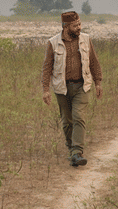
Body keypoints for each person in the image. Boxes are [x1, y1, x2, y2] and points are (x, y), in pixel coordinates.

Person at [41, 11, 103, 167]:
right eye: (75, 25)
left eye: (80, 24)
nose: (79, 28)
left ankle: (77, 151)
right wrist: (45, 90)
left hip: (82, 85)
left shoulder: (86, 40)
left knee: (78, 117)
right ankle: (71, 149)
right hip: (62, 88)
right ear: (65, 26)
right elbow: (47, 67)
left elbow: (94, 62)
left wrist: (98, 82)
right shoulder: (53, 43)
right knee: (67, 121)